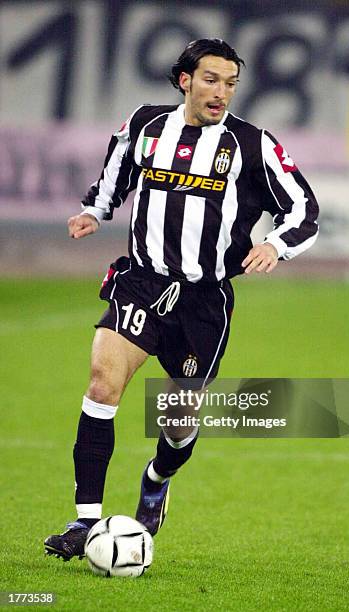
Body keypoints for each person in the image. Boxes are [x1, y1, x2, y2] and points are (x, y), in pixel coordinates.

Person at [44, 38, 319, 561]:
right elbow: (116, 174)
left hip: (203, 301)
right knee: (102, 386)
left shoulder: (252, 144)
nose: (222, 93)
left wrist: (275, 244)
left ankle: (156, 477)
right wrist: (94, 212)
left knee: (176, 420)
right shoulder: (147, 124)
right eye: (212, 80)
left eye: (232, 83)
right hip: (141, 283)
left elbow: (304, 208)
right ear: (185, 80)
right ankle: (85, 523)